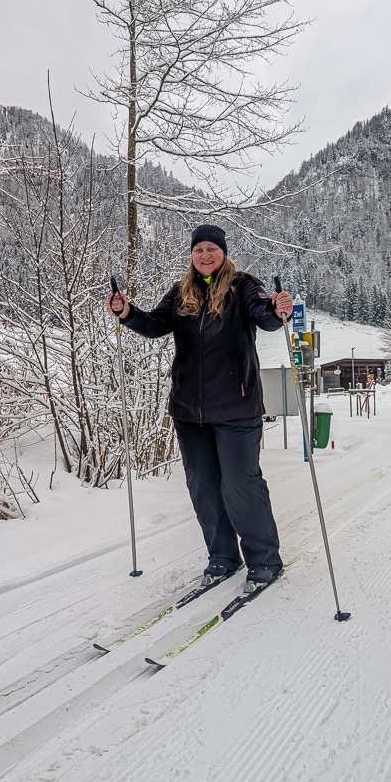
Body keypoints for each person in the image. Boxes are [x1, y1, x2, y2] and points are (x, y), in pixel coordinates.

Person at [106, 224, 294, 587]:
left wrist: (278, 310)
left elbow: (265, 316)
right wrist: (127, 312)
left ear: (223, 252)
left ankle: (265, 560)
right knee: (204, 487)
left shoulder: (243, 286)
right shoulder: (181, 292)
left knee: (240, 486)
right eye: (198, 250)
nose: (205, 255)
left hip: (237, 408)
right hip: (189, 412)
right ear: (191, 255)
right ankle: (222, 556)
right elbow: (155, 324)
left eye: (212, 249)